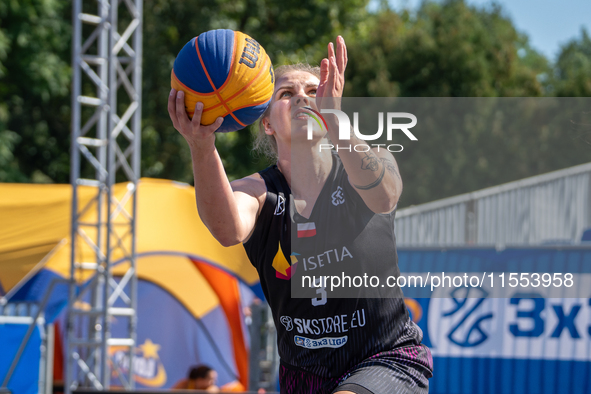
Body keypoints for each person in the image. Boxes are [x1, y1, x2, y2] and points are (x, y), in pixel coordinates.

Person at [169, 36, 433, 394]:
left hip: (386, 357)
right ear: (267, 124)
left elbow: (385, 196)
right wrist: (201, 146)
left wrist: (335, 119)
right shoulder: (257, 192)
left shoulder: (368, 163)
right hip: (302, 374)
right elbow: (227, 228)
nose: (303, 98)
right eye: (286, 94)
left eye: (313, 90)